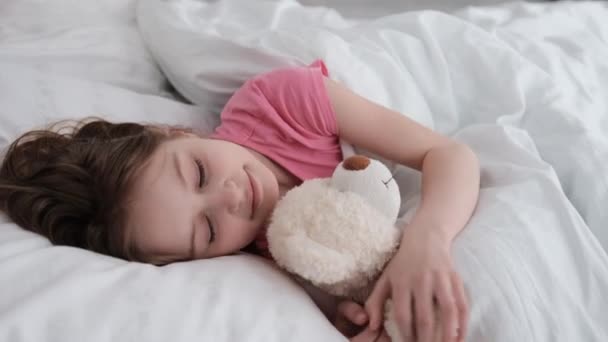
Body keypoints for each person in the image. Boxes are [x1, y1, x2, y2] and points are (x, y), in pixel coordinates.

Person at [0, 60, 479, 342]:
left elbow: (448, 153)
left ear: (175, 132)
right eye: (207, 231)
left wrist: (427, 240)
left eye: (199, 171)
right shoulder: (262, 259)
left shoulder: (281, 104)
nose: (231, 199)